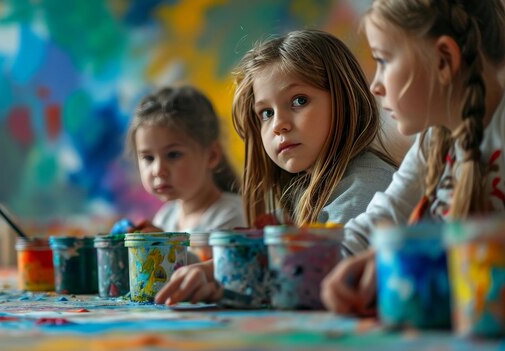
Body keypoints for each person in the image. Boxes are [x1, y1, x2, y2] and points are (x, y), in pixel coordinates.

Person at [155, 29, 397, 305]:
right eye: (266, 113)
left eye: (299, 101)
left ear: (345, 98)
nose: (278, 124)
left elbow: (326, 267)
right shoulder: (299, 192)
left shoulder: (366, 183)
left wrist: (222, 272)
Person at [321, 0, 505, 316]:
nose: (375, 85)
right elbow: (382, 220)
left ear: (443, 60)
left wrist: (409, 256)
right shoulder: (435, 139)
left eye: (383, 60)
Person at [127, 86, 246, 235]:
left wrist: (165, 246)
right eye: (148, 158)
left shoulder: (231, 215)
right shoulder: (165, 217)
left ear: (212, 156)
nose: (158, 170)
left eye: (173, 155)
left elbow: (219, 259)